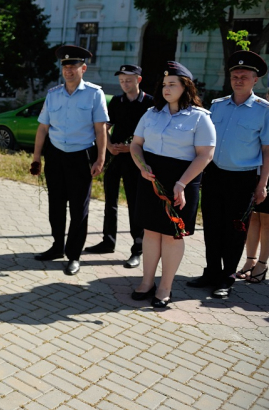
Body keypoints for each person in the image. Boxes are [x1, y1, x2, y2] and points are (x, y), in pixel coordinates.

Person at [129, 61, 215, 308]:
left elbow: (205, 155)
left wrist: (182, 183)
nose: (166, 89)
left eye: (172, 84)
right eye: (164, 84)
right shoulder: (151, 113)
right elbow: (136, 145)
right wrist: (142, 166)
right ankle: (147, 282)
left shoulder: (200, 118)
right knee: (151, 232)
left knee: (172, 235)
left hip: (182, 182)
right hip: (151, 179)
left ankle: (165, 287)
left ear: (185, 87)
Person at [191, 51, 269, 297]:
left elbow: (268, 151)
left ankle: (227, 277)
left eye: (244, 76)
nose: (238, 79)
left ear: (255, 80)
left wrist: (262, 185)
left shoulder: (263, 110)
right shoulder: (217, 105)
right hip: (214, 175)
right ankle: (211, 271)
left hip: (243, 179)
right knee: (212, 226)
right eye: (235, 75)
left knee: (235, 230)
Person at [30, 45, 109, 276]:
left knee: (78, 209)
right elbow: (43, 128)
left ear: (83, 68)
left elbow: (101, 129)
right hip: (55, 155)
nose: (69, 71)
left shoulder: (95, 94)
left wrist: (101, 158)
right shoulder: (53, 94)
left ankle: (74, 255)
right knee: (56, 205)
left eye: (73, 66)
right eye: (65, 66)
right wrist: (37, 158)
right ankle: (57, 246)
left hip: (81, 157)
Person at [86, 65, 153, 268]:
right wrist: (109, 146)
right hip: (115, 158)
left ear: (138, 80)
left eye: (129, 80)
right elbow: (105, 126)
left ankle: (137, 248)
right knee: (110, 202)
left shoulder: (150, 103)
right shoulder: (116, 101)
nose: (125, 84)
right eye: (122, 80)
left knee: (134, 204)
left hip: (136, 161)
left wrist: (131, 147)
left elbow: (152, 131)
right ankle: (108, 241)